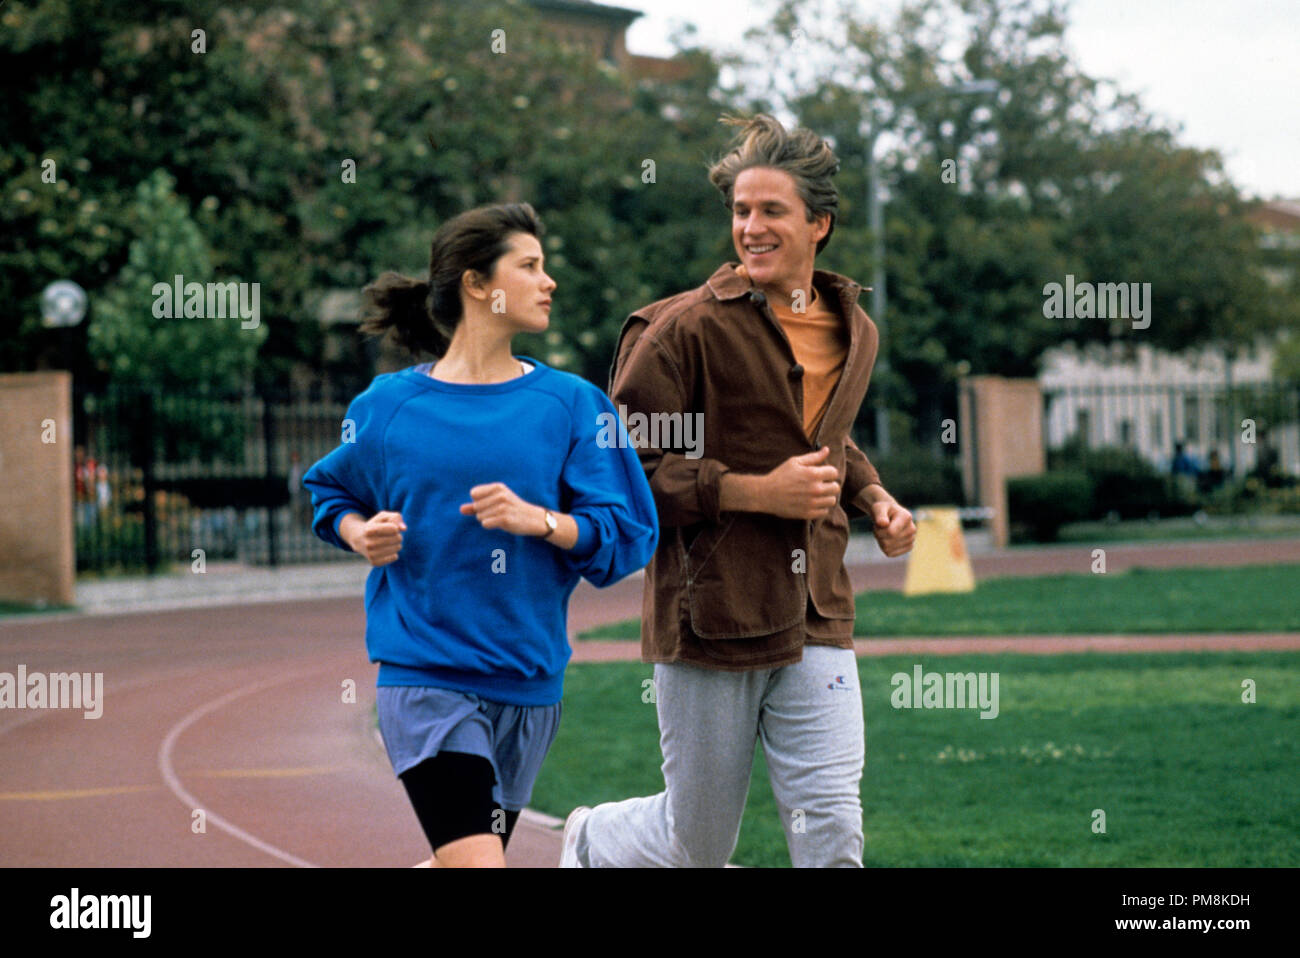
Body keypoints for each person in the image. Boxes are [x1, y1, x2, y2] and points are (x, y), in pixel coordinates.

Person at [560, 114, 916, 868]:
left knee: (834, 828)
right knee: (697, 848)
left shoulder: (858, 330)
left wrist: (873, 496)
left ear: (818, 224)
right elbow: (627, 475)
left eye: (770, 211)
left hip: (818, 612)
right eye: (740, 211)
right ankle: (593, 842)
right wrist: (758, 493)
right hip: (711, 617)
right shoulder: (680, 333)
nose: (750, 227)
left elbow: (828, 437)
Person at [302, 202, 657, 868]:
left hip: (528, 687)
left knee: (459, 861)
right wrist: (359, 533)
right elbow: (330, 491)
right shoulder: (387, 407)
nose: (549, 281)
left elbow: (627, 536)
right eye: (529, 266)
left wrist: (543, 521)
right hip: (425, 680)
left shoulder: (573, 405)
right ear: (477, 283)